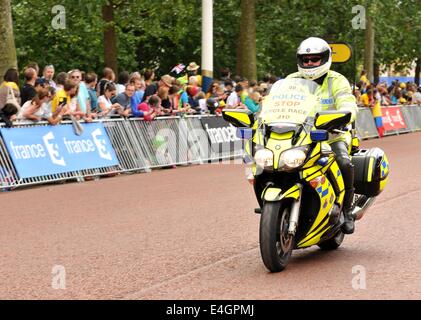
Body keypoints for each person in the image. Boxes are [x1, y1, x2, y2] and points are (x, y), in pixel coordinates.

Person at [285, 37, 358, 234]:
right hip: (299, 137)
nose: (309, 63)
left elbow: (348, 102)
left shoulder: (337, 80)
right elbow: (270, 104)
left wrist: (344, 117)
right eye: (305, 59)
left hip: (332, 135)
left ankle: (347, 210)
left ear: (325, 59)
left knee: (343, 161)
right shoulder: (291, 81)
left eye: (314, 59)